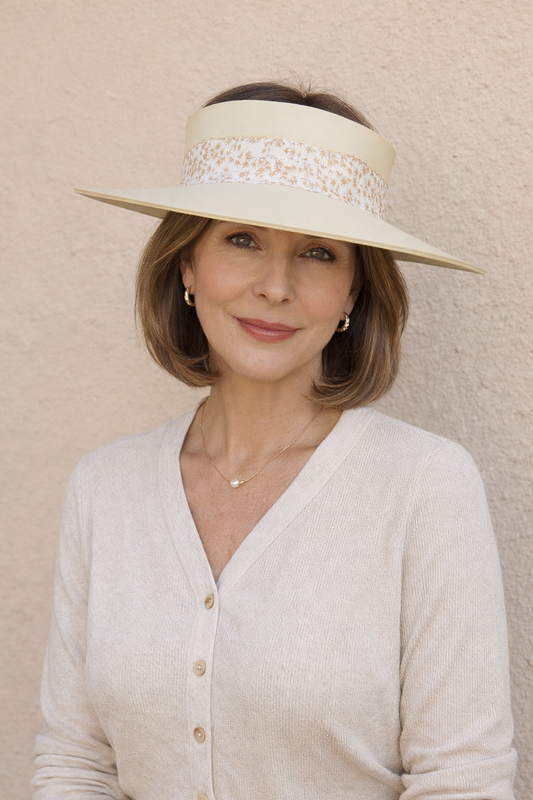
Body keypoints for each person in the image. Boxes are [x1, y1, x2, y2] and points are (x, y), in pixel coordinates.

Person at [32, 82, 516, 799]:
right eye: (241, 239)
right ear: (187, 266)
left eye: (317, 253)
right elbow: (75, 763)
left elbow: (462, 780)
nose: (275, 286)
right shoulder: (107, 486)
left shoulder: (422, 486)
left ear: (353, 291)